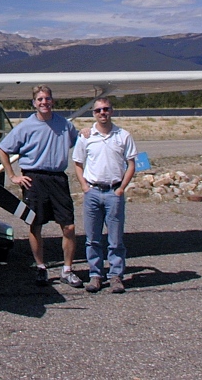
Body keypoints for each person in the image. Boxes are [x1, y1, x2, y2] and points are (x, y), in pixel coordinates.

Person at [0, 85, 83, 288]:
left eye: (47, 99)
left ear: (52, 101)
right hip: (34, 179)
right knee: (36, 225)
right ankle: (41, 267)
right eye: (40, 99)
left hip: (58, 179)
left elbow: (78, 142)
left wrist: (87, 132)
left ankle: (68, 270)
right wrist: (13, 175)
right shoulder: (26, 126)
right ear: (34, 103)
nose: (44, 102)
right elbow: (2, 148)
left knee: (69, 226)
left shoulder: (65, 125)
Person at [72, 97, 137, 294]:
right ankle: (95, 275)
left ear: (112, 111)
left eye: (106, 109)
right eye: (98, 110)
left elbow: (131, 164)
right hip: (93, 191)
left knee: (115, 238)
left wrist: (121, 189)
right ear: (93, 113)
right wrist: (84, 186)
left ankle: (116, 276)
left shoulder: (123, 136)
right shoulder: (86, 136)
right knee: (92, 238)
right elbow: (77, 163)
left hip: (113, 191)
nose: (102, 113)